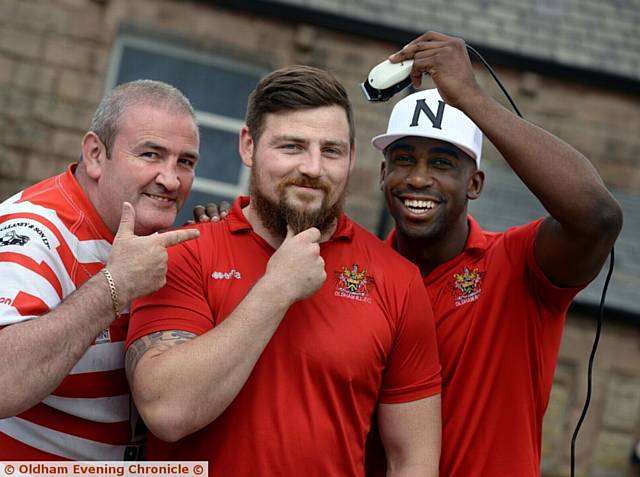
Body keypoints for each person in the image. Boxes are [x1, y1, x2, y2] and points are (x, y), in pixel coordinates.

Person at [125, 66, 442, 476]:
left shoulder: (396, 280)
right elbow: (167, 411)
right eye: (292, 147)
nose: (312, 167)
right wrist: (277, 288)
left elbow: (412, 459)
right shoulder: (187, 252)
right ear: (248, 146)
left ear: (352, 157)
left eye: (331, 151)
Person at [365, 31, 623, 476]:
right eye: (404, 159)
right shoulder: (355, 276)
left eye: (443, 163)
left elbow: (597, 216)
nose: (419, 178)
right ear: (383, 173)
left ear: (476, 184)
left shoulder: (518, 263)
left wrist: (469, 97)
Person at [0, 80, 201, 460]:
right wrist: (114, 285)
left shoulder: (157, 236)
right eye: (151, 155)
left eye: (185, 162)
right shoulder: (34, 229)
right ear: (95, 154)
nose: (171, 180)